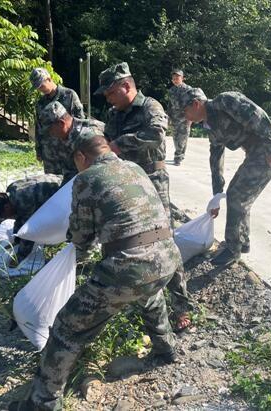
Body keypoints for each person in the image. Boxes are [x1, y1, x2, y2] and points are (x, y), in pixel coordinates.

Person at [8, 129, 182, 411]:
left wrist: (72, 246)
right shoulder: (135, 167)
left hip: (130, 266)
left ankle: (42, 403)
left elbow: (82, 237)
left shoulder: (86, 178)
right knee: (148, 292)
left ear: (81, 156)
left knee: (66, 328)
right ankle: (166, 349)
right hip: (167, 258)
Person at [95, 62, 193, 330]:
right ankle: (136, 299)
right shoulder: (114, 114)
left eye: (111, 92)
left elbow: (156, 133)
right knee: (126, 240)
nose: (108, 98)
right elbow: (104, 141)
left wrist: (119, 144)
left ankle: (181, 306)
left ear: (126, 86)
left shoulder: (151, 106)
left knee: (165, 241)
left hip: (152, 180)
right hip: (125, 183)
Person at [180, 88, 271, 266]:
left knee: (237, 196)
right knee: (236, 195)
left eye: (185, 111)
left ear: (196, 104)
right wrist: (216, 196)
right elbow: (216, 158)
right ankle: (241, 243)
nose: (185, 116)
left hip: (270, 150)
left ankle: (233, 249)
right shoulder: (211, 125)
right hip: (256, 153)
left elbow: (257, 116)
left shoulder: (225, 101)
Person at [0, 174, 62, 263]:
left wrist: (18, 258)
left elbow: (29, 233)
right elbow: (20, 219)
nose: (5, 218)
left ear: (6, 207)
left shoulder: (24, 202)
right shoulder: (11, 191)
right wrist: (16, 239)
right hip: (56, 181)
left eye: (3, 215)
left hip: (64, 191)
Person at [30, 67, 85, 183]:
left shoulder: (69, 95)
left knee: (72, 183)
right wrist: (39, 150)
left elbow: (79, 122)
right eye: (37, 87)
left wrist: (80, 148)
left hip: (68, 150)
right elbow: (39, 127)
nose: (40, 89)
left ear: (49, 79)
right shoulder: (40, 103)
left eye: (41, 85)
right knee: (52, 184)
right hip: (49, 153)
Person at [38, 101, 105, 167]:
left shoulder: (89, 135)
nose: (50, 133)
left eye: (50, 129)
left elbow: (100, 169)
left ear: (61, 124)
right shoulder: (60, 137)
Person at [167, 69, 192, 165]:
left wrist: (190, 118)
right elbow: (170, 105)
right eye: (173, 78)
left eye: (177, 78)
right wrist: (168, 116)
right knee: (176, 138)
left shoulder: (188, 90)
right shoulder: (172, 90)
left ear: (182, 78)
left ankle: (178, 156)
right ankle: (180, 154)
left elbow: (192, 105)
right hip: (174, 117)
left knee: (182, 137)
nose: (175, 80)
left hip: (185, 118)